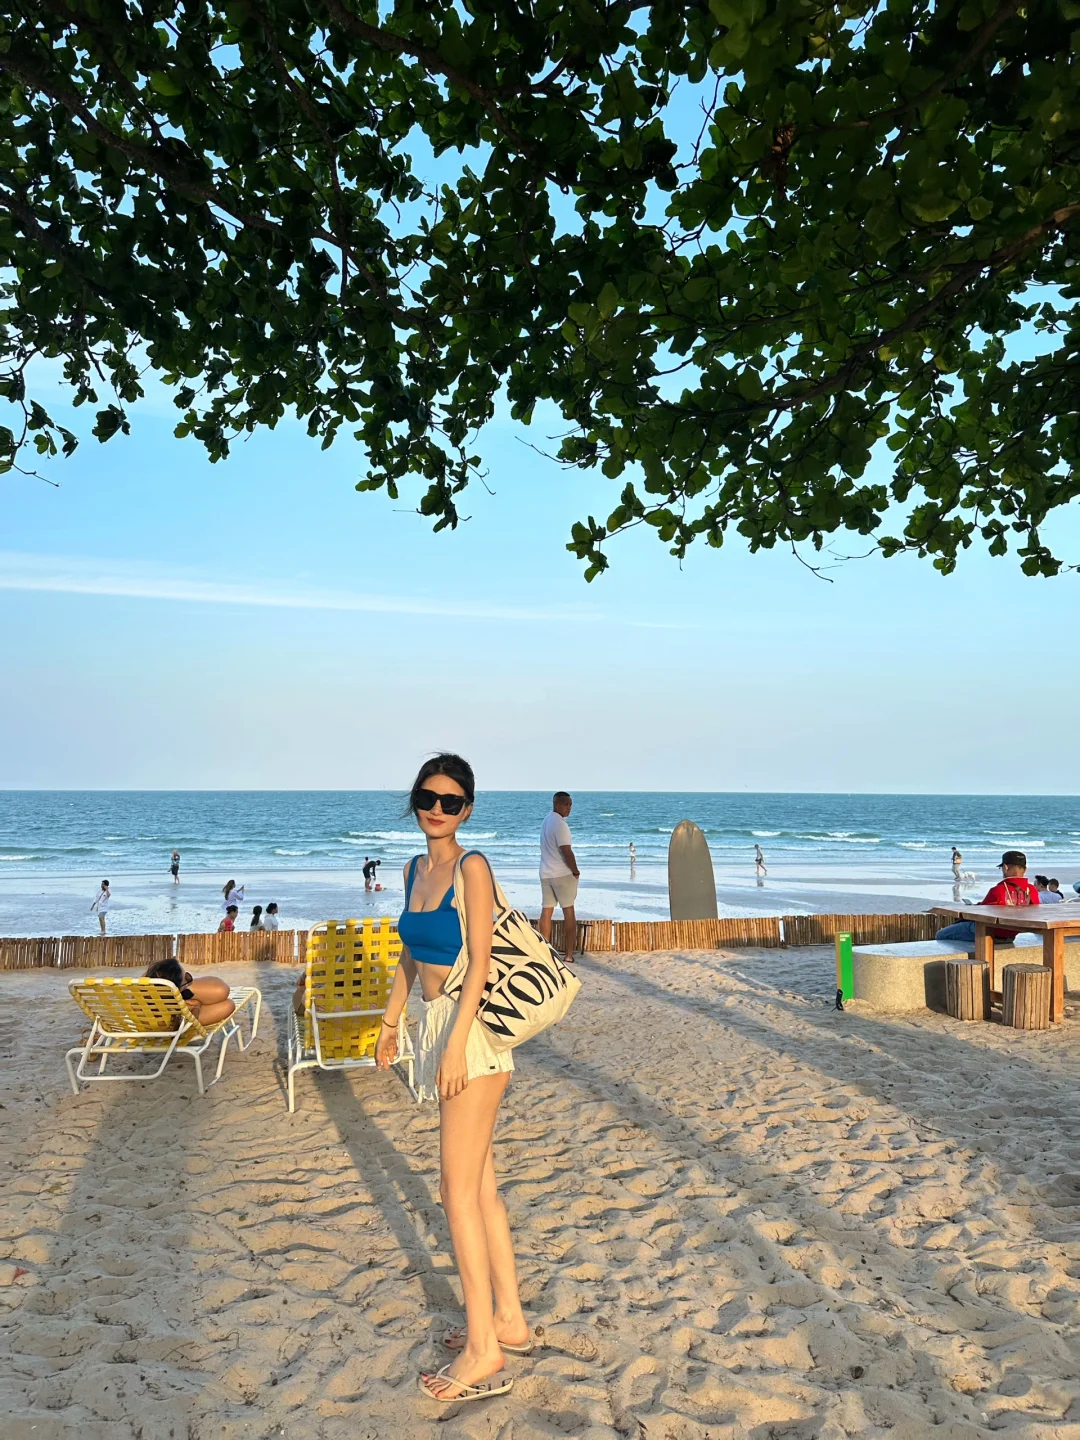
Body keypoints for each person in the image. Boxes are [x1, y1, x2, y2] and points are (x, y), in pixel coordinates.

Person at [375, 754, 525, 1403]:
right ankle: (510, 1321)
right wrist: (389, 1023)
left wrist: (457, 1044)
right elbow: (411, 952)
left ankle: (483, 1347)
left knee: (455, 1192)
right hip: (436, 1024)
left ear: (467, 808)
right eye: (428, 797)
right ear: (416, 801)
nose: (437, 808)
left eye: (451, 800)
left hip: (473, 1032)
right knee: (481, 1184)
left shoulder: (472, 868)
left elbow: (485, 963)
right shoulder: (414, 868)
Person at [936, 850, 1039, 942]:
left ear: (1005, 867)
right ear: (1025, 869)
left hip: (990, 931)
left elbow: (982, 913)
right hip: (1013, 933)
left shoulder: (998, 890)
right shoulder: (1032, 890)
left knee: (941, 935)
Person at [538, 792, 579, 961]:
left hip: (546, 872)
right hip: (561, 874)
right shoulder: (560, 824)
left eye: (570, 804)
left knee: (546, 911)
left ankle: (544, 953)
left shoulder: (546, 821)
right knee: (568, 911)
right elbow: (566, 850)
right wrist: (575, 870)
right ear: (557, 804)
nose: (569, 808)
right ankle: (569, 954)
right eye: (566, 804)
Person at [145, 957, 236, 1027]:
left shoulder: (140, 999)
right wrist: (196, 1006)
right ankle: (184, 992)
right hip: (180, 1023)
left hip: (161, 1022)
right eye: (187, 979)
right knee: (228, 1004)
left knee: (227, 1002)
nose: (189, 982)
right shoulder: (180, 1016)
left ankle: (182, 991)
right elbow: (222, 990)